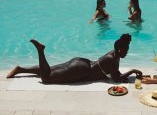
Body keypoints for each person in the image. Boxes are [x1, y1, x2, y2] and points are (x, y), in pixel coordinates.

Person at [6, 34, 142, 84]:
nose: (127, 52)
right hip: (80, 70)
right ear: (120, 50)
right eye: (126, 50)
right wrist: (132, 71)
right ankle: (40, 51)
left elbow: (115, 73)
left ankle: (20, 69)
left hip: (81, 63)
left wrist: (131, 73)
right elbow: (116, 79)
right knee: (47, 78)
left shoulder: (114, 54)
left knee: (50, 70)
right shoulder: (112, 59)